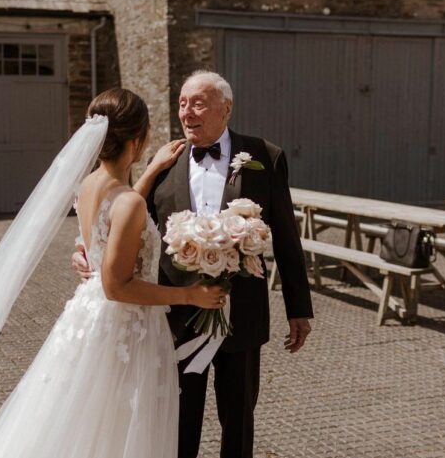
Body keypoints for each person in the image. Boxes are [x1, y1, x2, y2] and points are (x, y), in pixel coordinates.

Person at [0, 88, 227, 458]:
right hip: (128, 326)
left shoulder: (88, 186)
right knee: (119, 428)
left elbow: (112, 222)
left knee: (81, 421)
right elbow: (117, 285)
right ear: (140, 138)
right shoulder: (130, 203)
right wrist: (189, 295)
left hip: (88, 317)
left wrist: (149, 172)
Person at [73, 71, 314, 458]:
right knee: (178, 421)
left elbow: (286, 237)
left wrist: (298, 309)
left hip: (242, 316)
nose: (187, 112)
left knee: (238, 421)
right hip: (176, 318)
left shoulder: (264, 157)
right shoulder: (162, 160)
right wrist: (87, 251)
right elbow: (126, 224)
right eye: (182, 103)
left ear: (226, 108)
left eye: (198, 103)